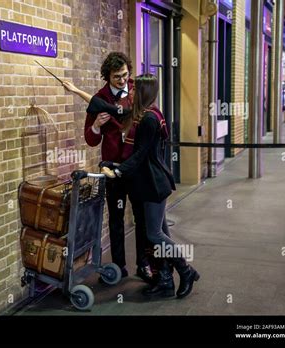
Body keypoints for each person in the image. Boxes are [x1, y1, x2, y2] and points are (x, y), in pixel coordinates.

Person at [101, 74, 200, 299]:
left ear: (144, 93)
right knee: (160, 232)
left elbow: (140, 155)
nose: (131, 92)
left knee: (155, 234)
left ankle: (187, 271)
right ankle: (165, 280)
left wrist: (118, 170)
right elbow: (139, 154)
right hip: (149, 182)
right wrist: (115, 164)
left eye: (135, 89)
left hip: (153, 184)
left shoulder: (148, 119)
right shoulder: (148, 114)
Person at [63, 52, 155, 284]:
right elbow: (91, 139)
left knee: (142, 218)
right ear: (108, 76)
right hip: (111, 169)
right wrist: (95, 125)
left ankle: (144, 265)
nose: (123, 81)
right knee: (115, 218)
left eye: (125, 75)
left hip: (134, 167)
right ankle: (118, 266)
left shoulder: (136, 90)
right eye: (117, 77)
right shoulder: (99, 98)